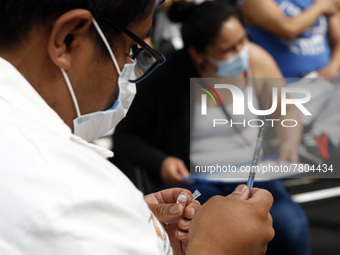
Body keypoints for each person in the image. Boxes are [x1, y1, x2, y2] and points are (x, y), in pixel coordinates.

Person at [0, 0, 275, 254]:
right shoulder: (67, 194)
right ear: (68, 38)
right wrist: (216, 247)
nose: (130, 68)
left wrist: (136, 225)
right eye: (132, 49)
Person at [113, 1, 307, 255]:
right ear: (197, 54)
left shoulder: (256, 60)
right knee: (203, 228)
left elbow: (286, 110)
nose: (241, 52)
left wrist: (289, 142)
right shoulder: (166, 77)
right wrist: (163, 162)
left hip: (251, 177)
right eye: (229, 49)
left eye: (242, 41)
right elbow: (126, 137)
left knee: (292, 227)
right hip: (196, 181)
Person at [240, 0, 340, 161]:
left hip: (324, 83)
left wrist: (333, 68)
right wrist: (320, 7)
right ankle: (313, 144)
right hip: (285, 90)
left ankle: (317, 141)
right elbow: (288, 29)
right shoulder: (256, 2)